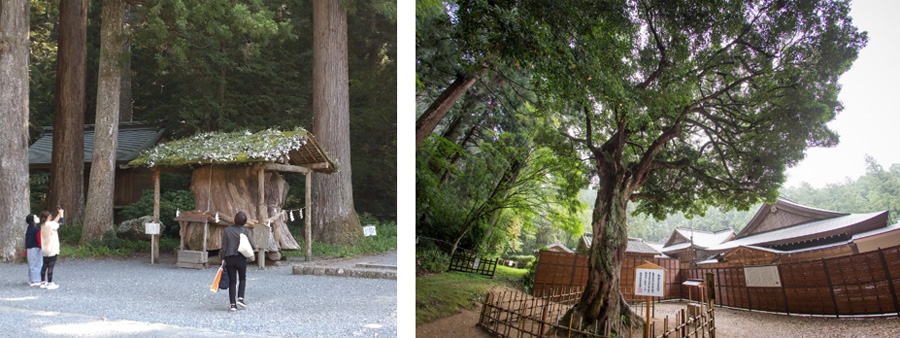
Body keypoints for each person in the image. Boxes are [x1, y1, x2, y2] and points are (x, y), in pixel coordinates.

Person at [219, 211, 254, 311]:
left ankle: (233, 304)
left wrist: (223, 258)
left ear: (235, 219)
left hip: (229, 257)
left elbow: (224, 246)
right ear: (245, 221)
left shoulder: (227, 230)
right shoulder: (245, 231)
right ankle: (240, 298)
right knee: (242, 278)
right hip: (241, 257)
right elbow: (252, 244)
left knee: (232, 281)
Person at [39, 207, 64, 290]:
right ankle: (50, 283)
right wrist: (62, 216)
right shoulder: (50, 225)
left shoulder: (43, 225)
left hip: (45, 248)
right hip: (52, 248)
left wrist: (59, 215)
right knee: (51, 266)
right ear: (48, 217)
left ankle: (43, 282)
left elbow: (54, 222)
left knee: (44, 265)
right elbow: (61, 223)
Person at [24, 214, 43, 286]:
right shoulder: (35, 230)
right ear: (32, 220)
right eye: (35, 217)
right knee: (37, 263)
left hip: (30, 248)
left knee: (32, 264)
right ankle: (36, 280)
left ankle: (32, 279)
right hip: (35, 247)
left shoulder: (30, 228)